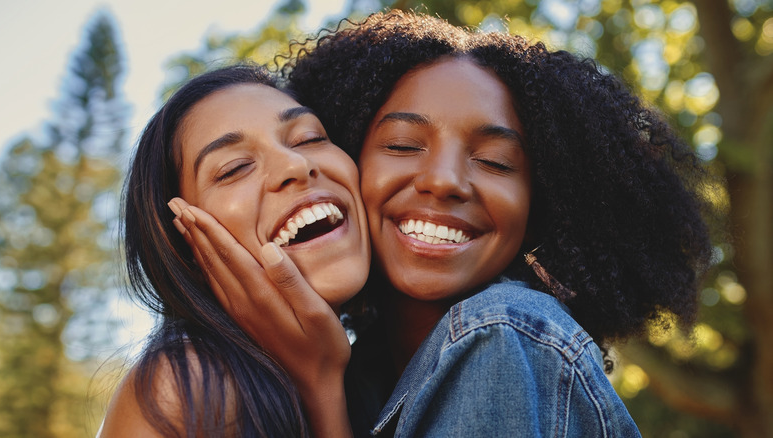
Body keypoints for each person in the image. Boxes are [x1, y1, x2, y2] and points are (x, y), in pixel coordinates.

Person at [179, 10, 716, 437]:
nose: (444, 181)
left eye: (495, 162)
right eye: (403, 146)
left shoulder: (501, 335)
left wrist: (320, 390)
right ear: (349, 167)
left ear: (536, 213)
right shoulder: (355, 370)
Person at [98, 63, 370, 437]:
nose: (296, 164)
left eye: (308, 138)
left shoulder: (384, 377)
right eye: (234, 168)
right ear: (186, 244)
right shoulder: (185, 387)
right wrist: (319, 387)